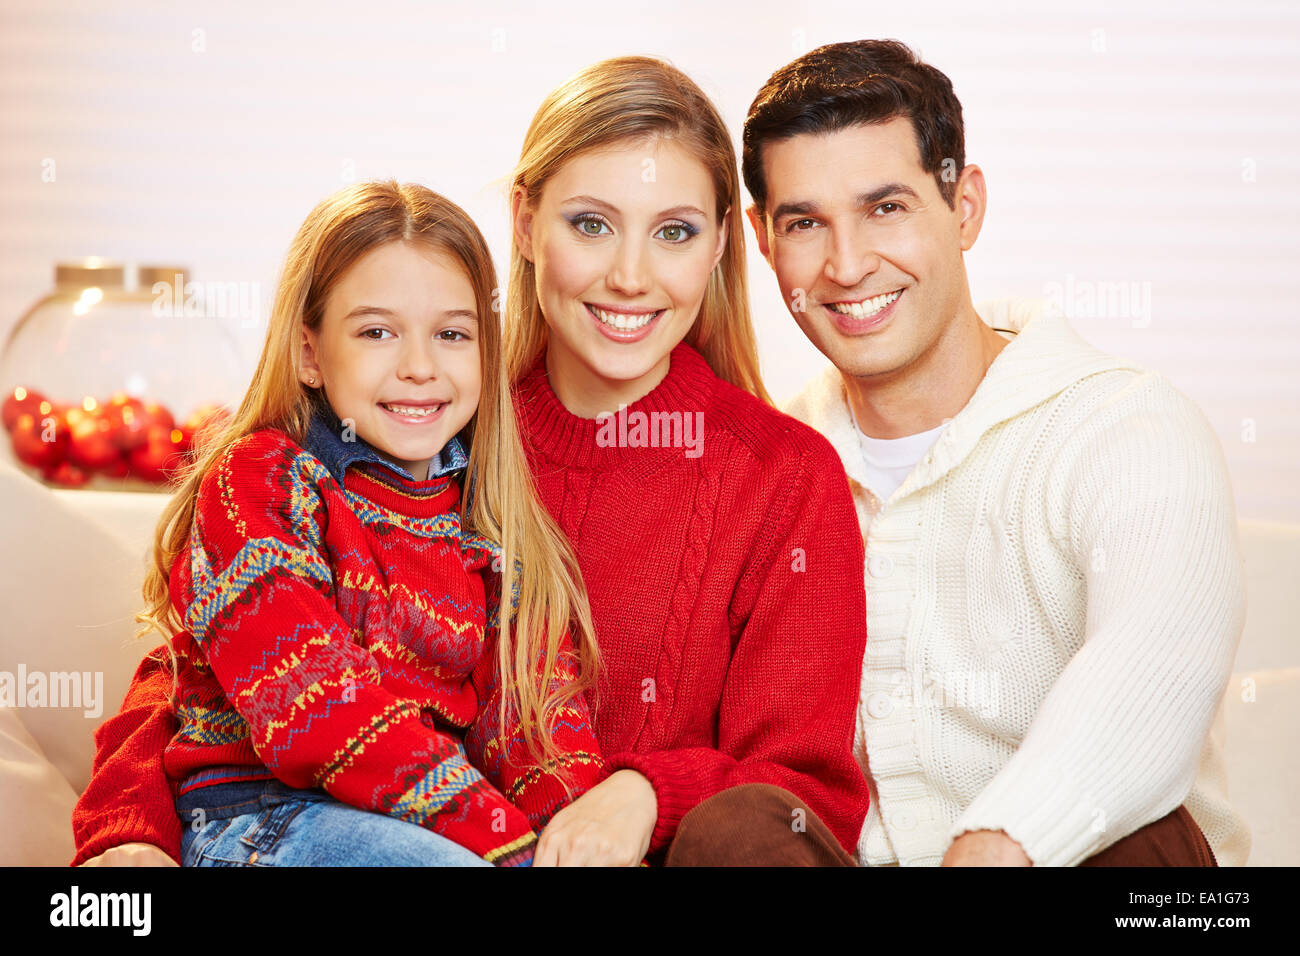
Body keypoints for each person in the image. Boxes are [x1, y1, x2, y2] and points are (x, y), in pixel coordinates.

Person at [73, 56, 870, 868]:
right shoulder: (433, 430)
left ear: (721, 243)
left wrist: (647, 793)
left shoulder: (785, 476)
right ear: (525, 224)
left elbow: (796, 803)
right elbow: (216, 655)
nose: (630, 277)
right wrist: (129, 833)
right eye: (591, 224)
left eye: (674, 231)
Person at [742, 39, 1248, 866]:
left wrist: (998, 843)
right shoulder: (772, 461)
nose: (847, 263)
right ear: (764, 240)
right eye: (805, 223)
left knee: (1142, 839)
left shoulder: (1127, 425)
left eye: (886, 208)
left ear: (965, 205)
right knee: (738, 826)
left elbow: (1150, 671)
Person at [85, 180, 608, 867]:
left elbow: (537, 735)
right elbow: (318, 714)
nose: (420, 367)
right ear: (308, 352)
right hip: (265, 821)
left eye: (452, 334)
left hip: (420, 829)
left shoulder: (492, 532)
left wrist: (578, 835)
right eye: (377, 332)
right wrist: (509, 849)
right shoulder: (262, 483)